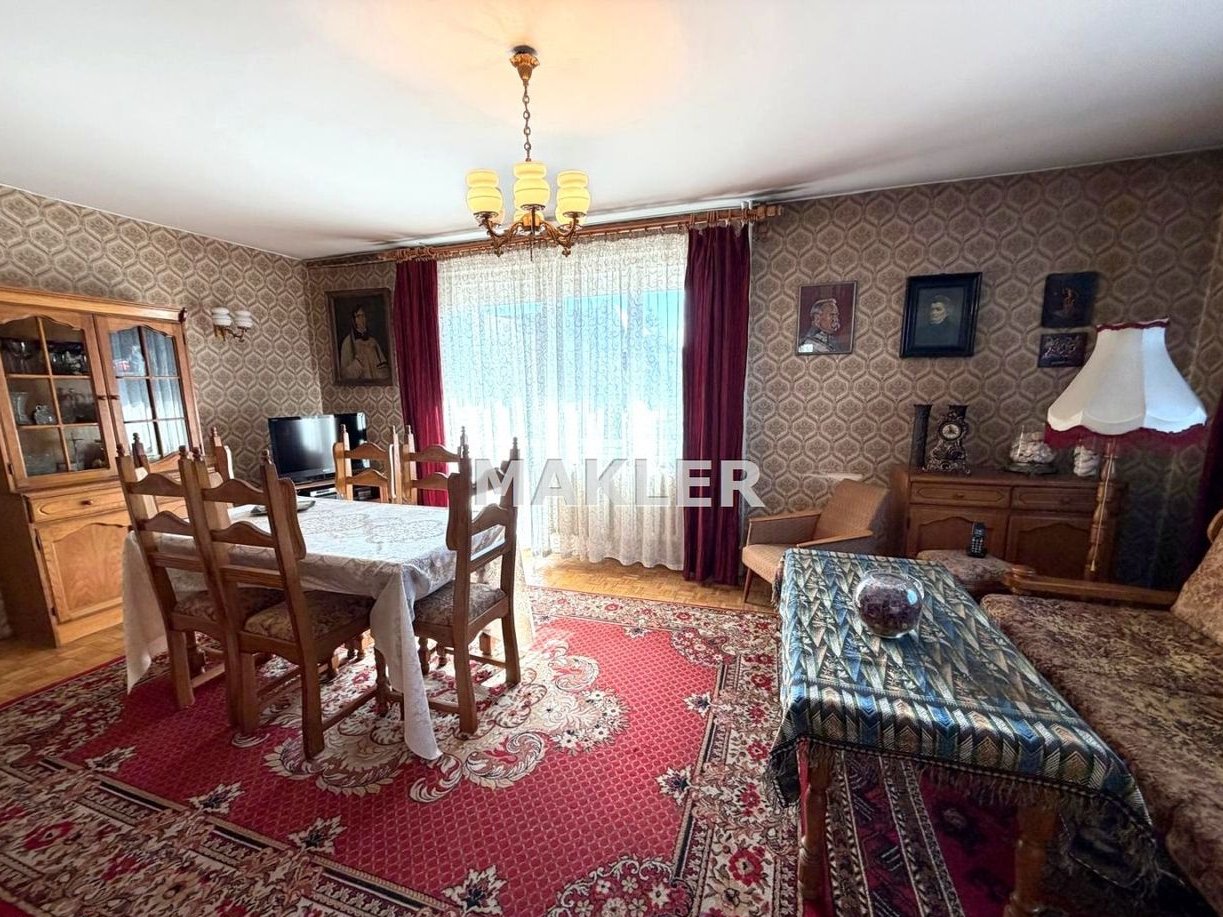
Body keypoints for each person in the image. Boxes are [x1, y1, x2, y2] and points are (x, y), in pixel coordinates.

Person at [339, 305, 389, 381]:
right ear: (354, 319)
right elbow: (344, 374)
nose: (362, 319)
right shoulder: (347, 342)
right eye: (358, 316)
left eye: (363, 316)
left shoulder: (373, 341)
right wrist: (358, 363)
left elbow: (383, 366)